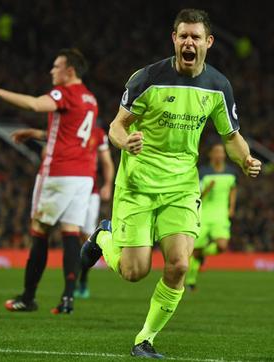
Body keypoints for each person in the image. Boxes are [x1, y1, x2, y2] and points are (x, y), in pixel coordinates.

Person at [80, 9, 261, 358]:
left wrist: (247, 159)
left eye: (195, 36)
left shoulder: (218, 86)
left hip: (181, 186)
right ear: (174, 40)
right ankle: (104, 235)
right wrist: (124, 142)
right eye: (183, 36)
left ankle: (144, 340)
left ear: (208, 42)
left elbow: (231, 136)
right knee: (135, 272)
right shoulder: (148, 78)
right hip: (137, 184)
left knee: (179, 264)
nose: (189, 42)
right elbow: (117, 125)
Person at [0, 48, 99, 314]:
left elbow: (34, 104)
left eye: (56, 66)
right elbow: (72, 133)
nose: (51, 71)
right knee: (70, 234)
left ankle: (28, 297)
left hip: (58, 173)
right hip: (84, 176)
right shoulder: (90, 99)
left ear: (70, 71)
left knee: (40, 231)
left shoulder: (64, 93)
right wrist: (37, 133)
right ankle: (68, 298)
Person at [185, 143, 237, 290]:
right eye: (216, 151)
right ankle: (190, 281)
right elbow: (197, 194)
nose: (219, 154)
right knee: (195, 250)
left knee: (222, 246)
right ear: (211, 155)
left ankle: (203, 255)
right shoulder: (203, 172)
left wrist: (231, 207)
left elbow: (233, 189)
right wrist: (208, 188)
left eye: (221, 152)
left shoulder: (231, 172)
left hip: (221, 214)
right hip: (204, 214)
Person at [75, 125, 114, 299]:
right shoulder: (64, 127)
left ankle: (81, 281)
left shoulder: (97, 133)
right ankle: (71, 285)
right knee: (70, 235)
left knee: (85, 237)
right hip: (67, 189)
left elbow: (107, 162)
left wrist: (107, 184)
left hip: (90, 192)